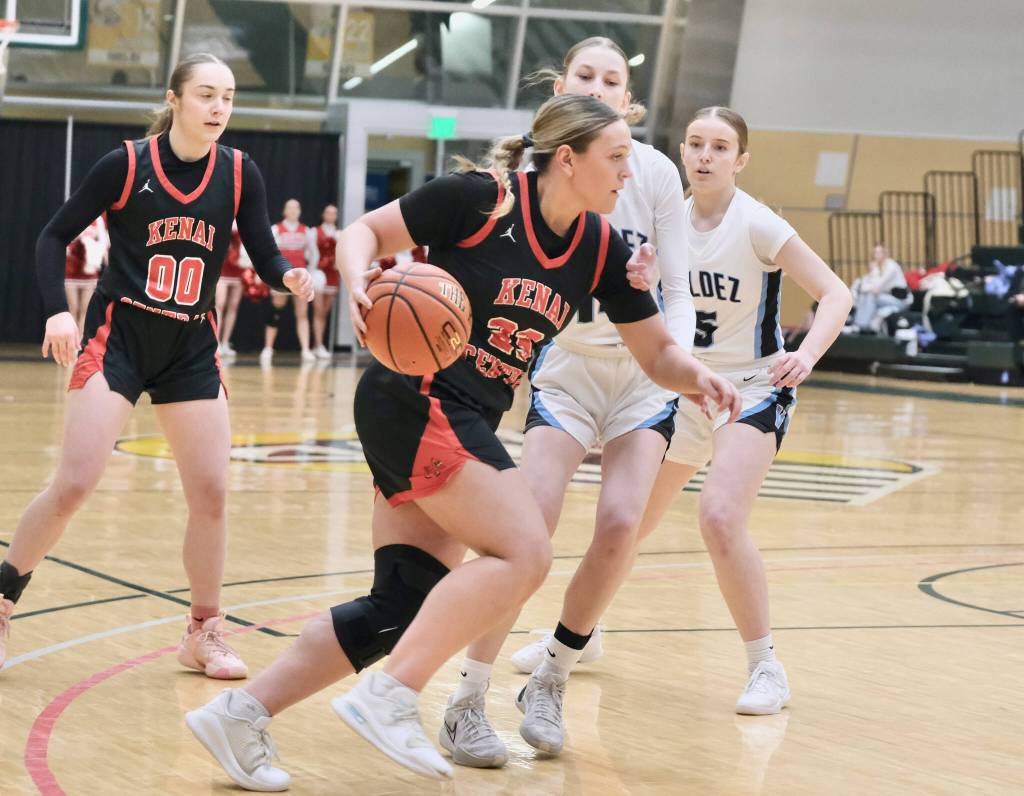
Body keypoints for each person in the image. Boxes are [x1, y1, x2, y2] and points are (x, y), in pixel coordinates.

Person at [185, 92, 741, 789]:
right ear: (566, 159)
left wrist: (699, 379)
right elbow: (362, 235)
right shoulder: (482, 200)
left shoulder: (601, 246)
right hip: (416, 396)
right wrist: (358, 284)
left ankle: (241, 713)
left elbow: (656, 354)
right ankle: (390, 696)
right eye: (617, 157)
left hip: (454, 413)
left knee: (401, 602)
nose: (629, 173)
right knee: (525, 550)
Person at [0, 53, 313, 674]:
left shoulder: (240, 171)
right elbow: (51, 237)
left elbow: (263, 251)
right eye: (205, 95)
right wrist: (57, 311)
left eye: (227, 97)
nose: (219, 108)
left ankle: (203, 630)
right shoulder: (125, 163)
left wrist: (289, 277)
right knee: (74, 484)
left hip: (190, 347)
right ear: (174, 99)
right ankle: (3, 601)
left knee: (213, 493)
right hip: (121, 340)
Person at [440, 36, 696, 768]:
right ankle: (468, 696)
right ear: (562, 86)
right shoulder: (534, 174)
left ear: (628, 99)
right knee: (530, 527)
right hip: (568, 370)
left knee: (620, 525)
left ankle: (552, 676)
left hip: (642, 378)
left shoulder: (652, 174)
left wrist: (676, 362)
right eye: (586, 74)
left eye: (613, 79)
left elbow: (676, 292)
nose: (599, 85)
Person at [633, 106, 851, 716]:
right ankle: (578, 633)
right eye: (697, 144)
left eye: (720, 147)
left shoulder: (759, 224)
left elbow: (836, 293)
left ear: (740, 160)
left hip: (752, 388)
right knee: (626, 518)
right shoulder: (660, 221)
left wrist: (806, 354)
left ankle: (766, 667)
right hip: (683, 388)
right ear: (681, 152)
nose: (706, 156)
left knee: (720, 516)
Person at [260, 199, 318, 365]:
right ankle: (268, 348)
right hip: (283, 276)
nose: (293, 211)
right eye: (290, 208)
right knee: (275, 312)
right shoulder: (276, 229)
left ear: (300, 211)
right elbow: (270, 252)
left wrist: (311, 273)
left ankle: (306, 349)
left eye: (296, 208)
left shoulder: (306, 231)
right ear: (284, 211)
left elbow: (314, 254)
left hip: (300, 278)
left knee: (302, 313)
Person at [850, 243, 909, 333]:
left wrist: (874, 271)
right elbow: (865, 285)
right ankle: (857, 323)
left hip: (900, 301)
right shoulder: (880, 267)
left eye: (879, 252)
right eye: (874, 253)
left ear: (884, 254)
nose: (875, 255)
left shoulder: (891, 267)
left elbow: (876, 286)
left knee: (871, 295)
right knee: (865, 295)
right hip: (887, 298)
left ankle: (861, 325)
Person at [64, 215, 108, 331]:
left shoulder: (98, 220)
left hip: (90, 272)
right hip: (71, 271)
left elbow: (103, 242)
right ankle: (71, 345)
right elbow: (61, 241)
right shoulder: (72, 218)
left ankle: (80, 344)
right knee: (73, 309)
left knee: (86, 310)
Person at [311, 204, 341, 359]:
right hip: (318, 272)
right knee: (318, 310)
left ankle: (320, 344)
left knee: (324, 312)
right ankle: (318, 344)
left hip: (333, 274)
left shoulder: (340, 233)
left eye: (334, 213)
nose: (331, 215)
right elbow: (311, 252)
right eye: (328, 212)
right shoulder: (315, 232)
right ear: (324, 214)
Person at [215, 221, 244, 357]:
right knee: (219, 305)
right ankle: (216, 343)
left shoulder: (245, 218)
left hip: (239, 267)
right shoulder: (223, 214)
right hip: (222, 266)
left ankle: (225, 342)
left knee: (233, 306)